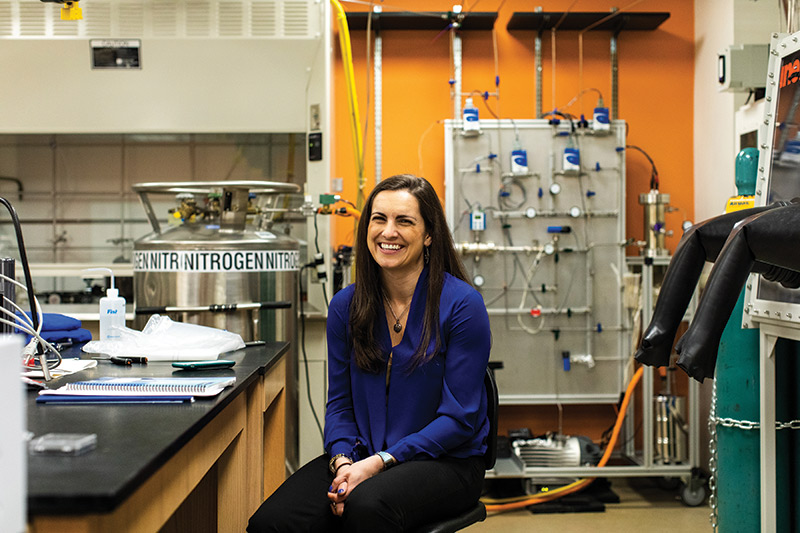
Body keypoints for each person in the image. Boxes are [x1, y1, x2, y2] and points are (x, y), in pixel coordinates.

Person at [248, 174, 492, 532]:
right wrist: (344, 461)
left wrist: (380, 462)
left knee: (367, 507)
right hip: (362, 456)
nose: (388, 232)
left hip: (447, 461)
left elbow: (459, 420)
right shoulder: (347, 306)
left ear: (428, 235)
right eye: (379, 219)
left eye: (404, 221)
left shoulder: (461, 306)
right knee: (272, 523)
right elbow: (340, 405)